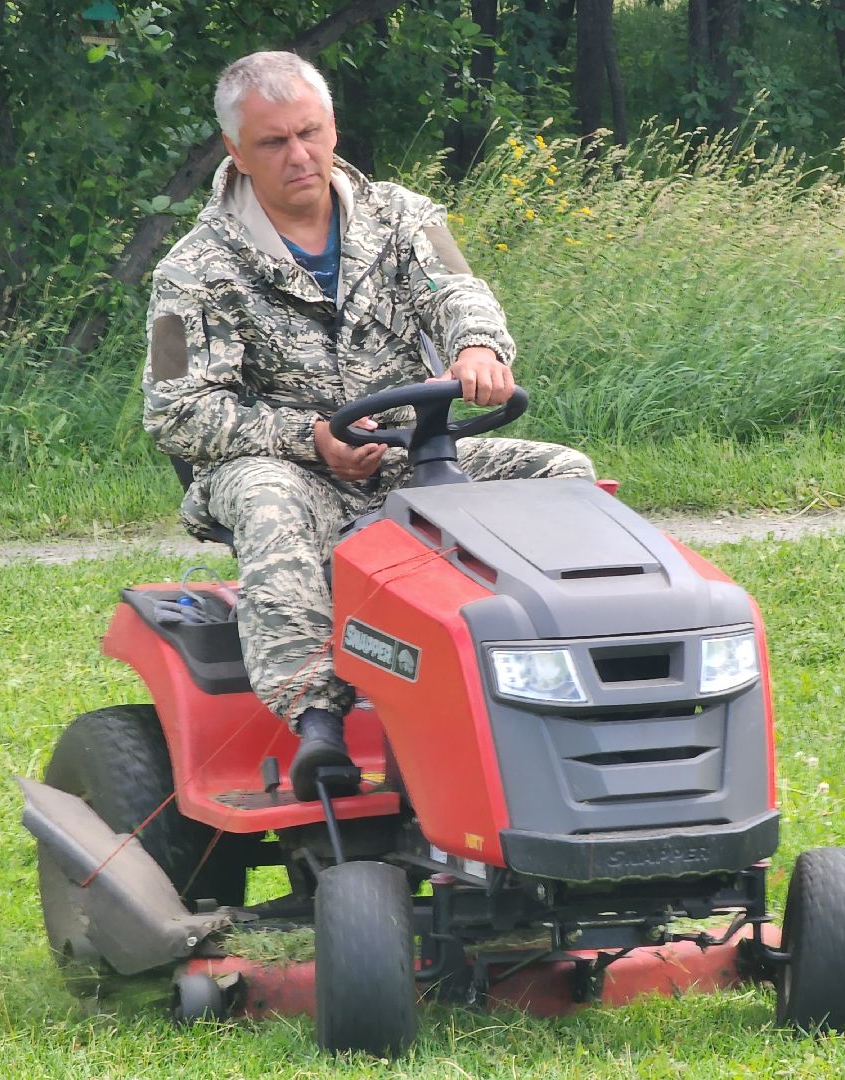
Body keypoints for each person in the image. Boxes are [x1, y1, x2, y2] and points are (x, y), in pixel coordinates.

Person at [143, 51, 594, 800]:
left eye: (309, 133)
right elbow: (175, 411)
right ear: (235, 152)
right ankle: (319, 723)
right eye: (273, 143)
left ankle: (552, 677)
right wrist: (310, 437)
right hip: (287, 470)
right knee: (267, 499)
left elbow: (460, 293)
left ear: (332, 127)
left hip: (410, 454)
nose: (299, 156)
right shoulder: (191, 272)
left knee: (562, 476)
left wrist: (478, 348)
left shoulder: (403, 217)